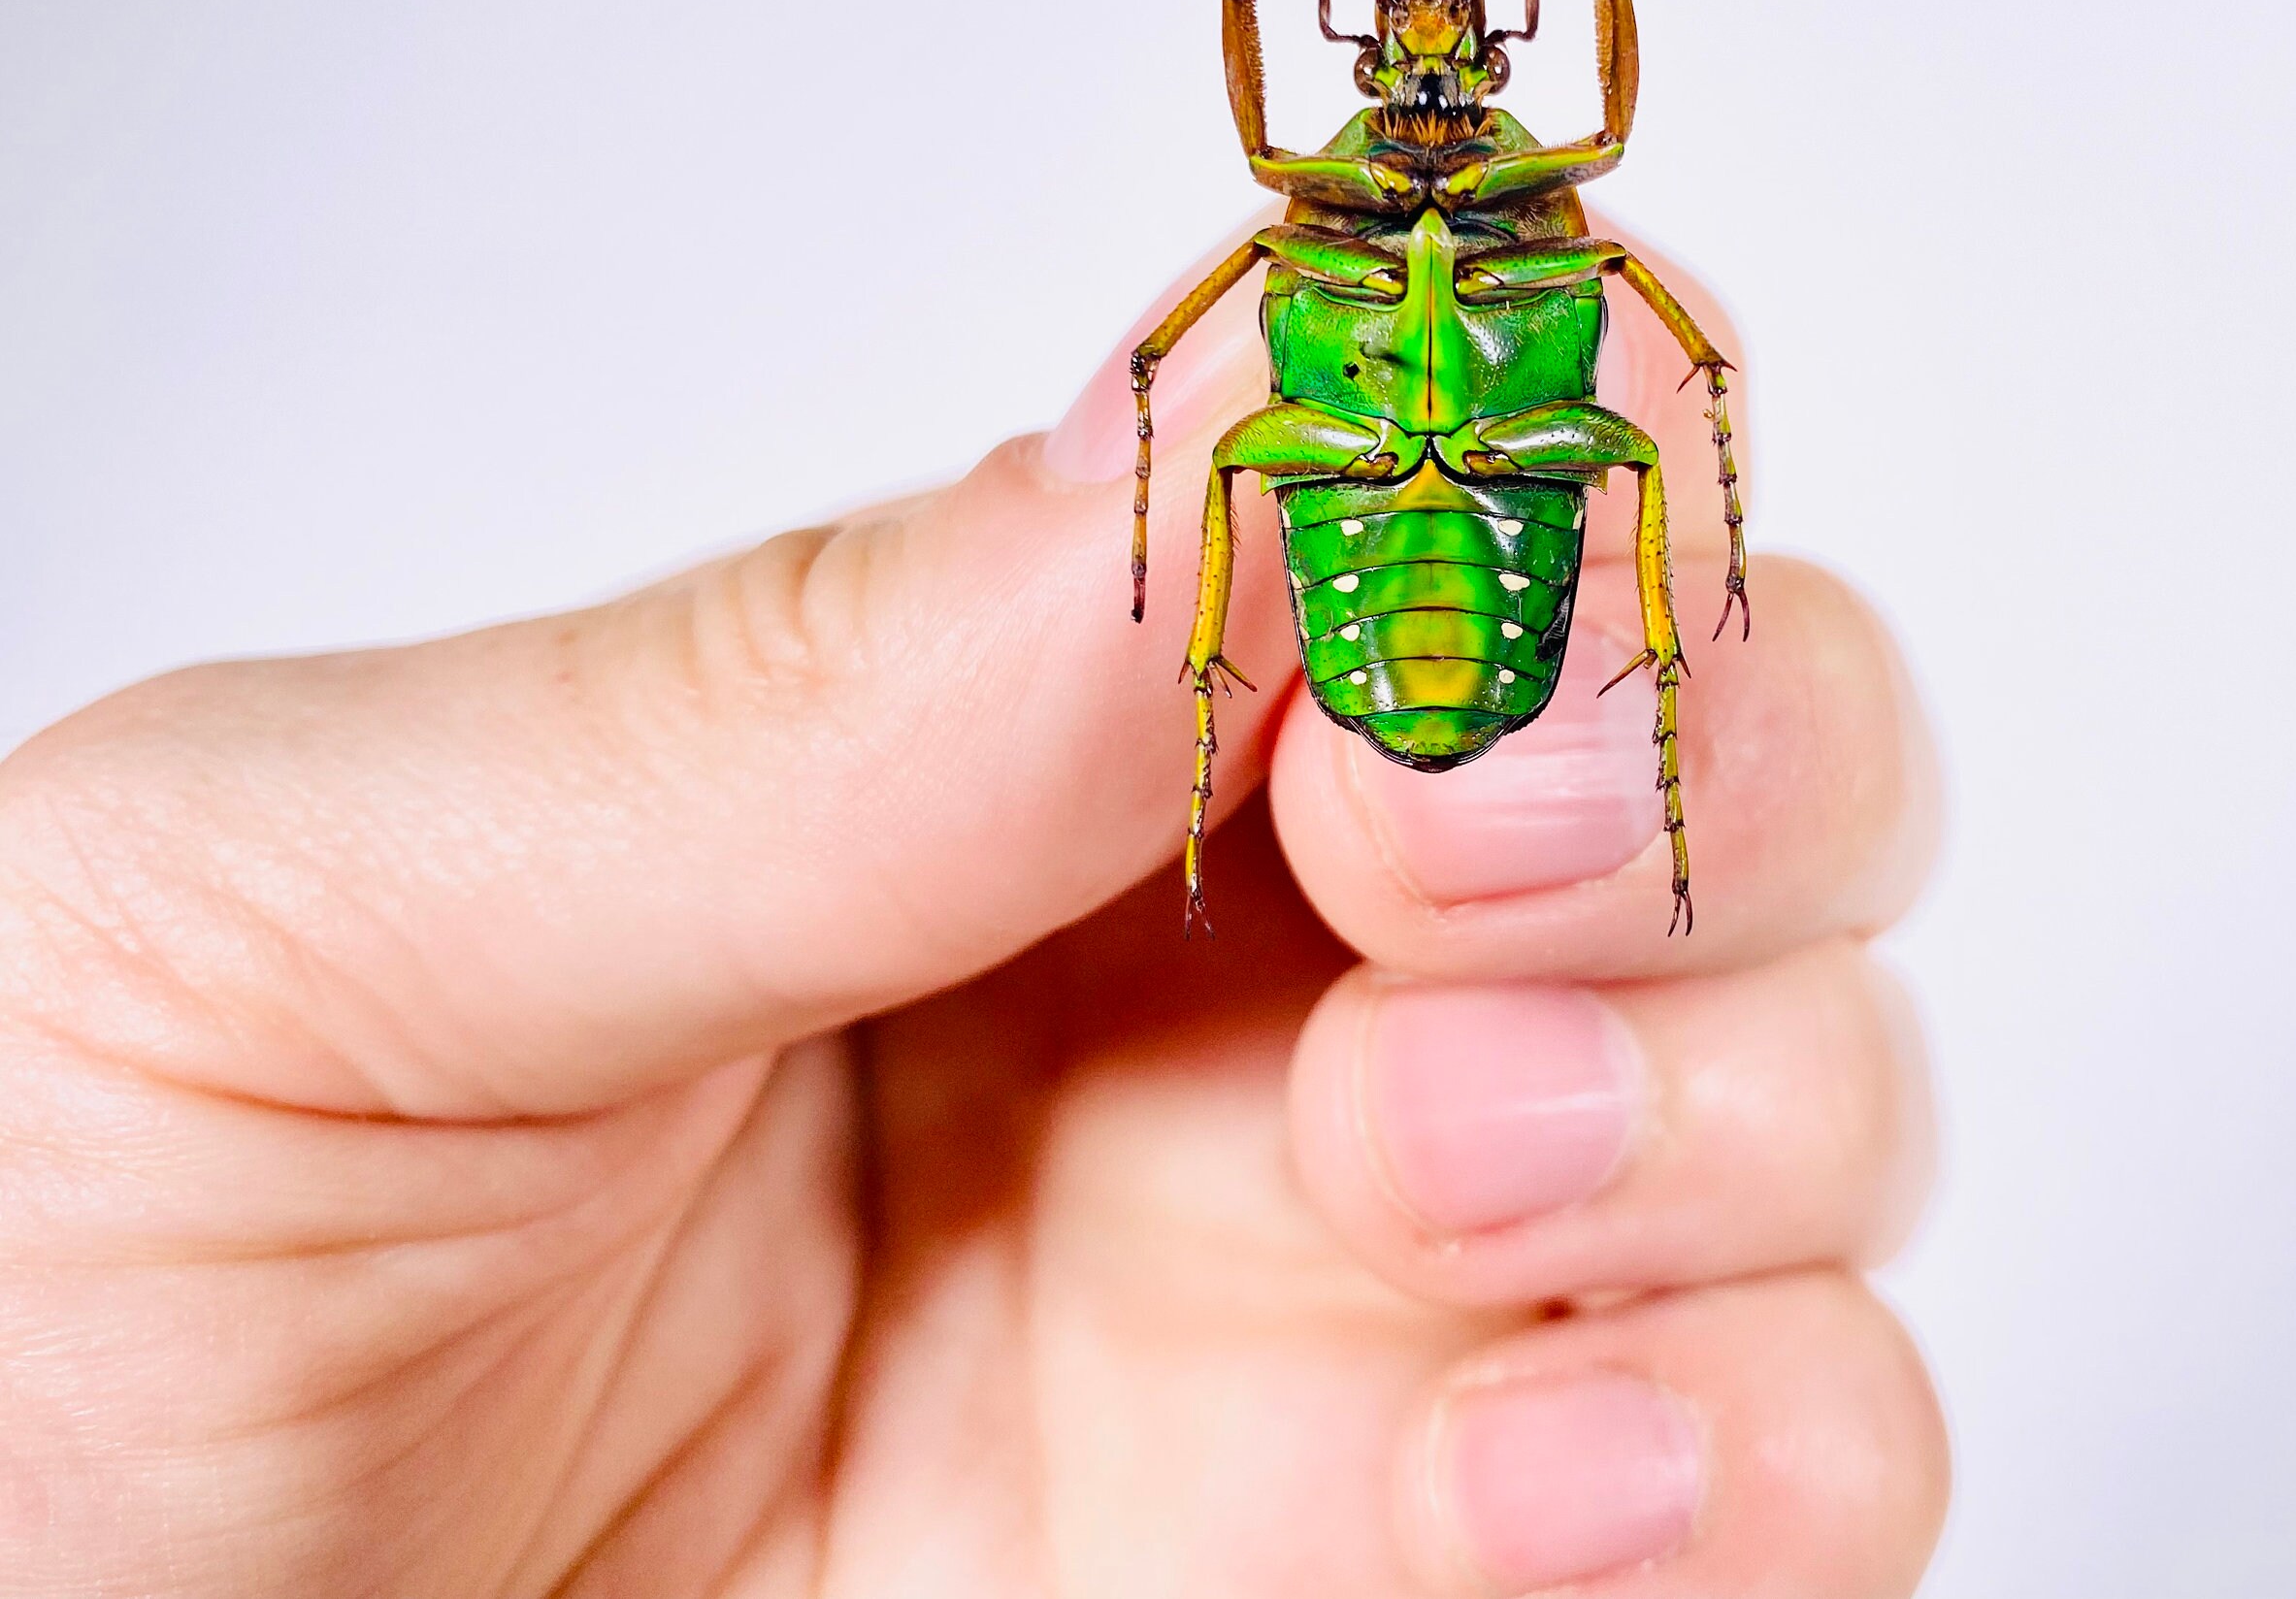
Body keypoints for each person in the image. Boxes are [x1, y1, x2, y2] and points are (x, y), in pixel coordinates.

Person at [0, 238, 1950, 1595]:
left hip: (1437, 563)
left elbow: (1642, 369)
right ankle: (1497, 738)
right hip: (1401, 557)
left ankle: (1608, 743)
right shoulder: (1329, 263)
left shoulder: (1509, 264)